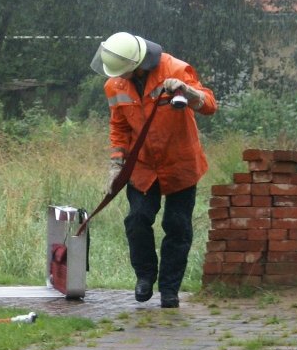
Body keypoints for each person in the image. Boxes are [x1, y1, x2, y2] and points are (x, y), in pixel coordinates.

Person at [90, 31, 217, 309]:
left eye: (123, 71)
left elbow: (209, 105)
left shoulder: (175, 69)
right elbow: (119, 128)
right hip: (143, 166)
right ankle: (145, 276)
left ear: (137, 61)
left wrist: (188, 91)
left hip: (180, 163)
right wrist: (116, 167)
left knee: (177, 226)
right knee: (137, 220)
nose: (119, 77)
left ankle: (169, 290)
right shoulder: (115, 85)